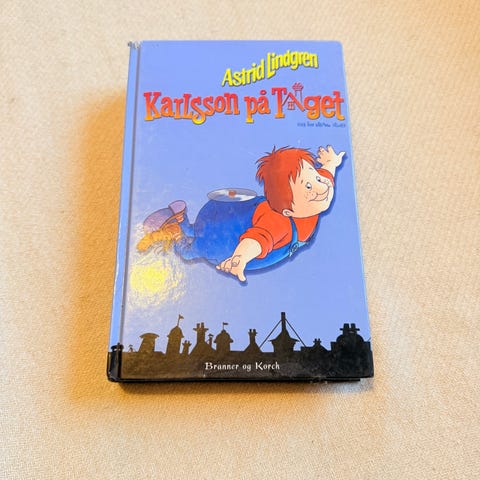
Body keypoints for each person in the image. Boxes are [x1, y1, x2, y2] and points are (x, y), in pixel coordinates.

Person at [137, 145, 344, 282]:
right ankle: (176, 234)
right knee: (189, 252)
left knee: (197, 229)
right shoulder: (279, 223)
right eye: (309, 187)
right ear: (288, 210)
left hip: (224, 217)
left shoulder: (315, 193)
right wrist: (239, 258)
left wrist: (331, 164)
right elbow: (256, 240)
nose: (323, 187)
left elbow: (324, 176)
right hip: (223, 243)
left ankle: (182, 219)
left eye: (317, 178)